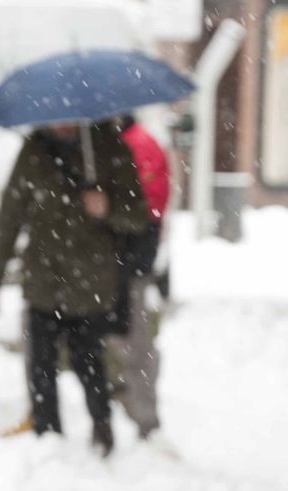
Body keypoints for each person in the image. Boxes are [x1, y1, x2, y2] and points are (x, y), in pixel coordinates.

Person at [0, 122, 149, 457]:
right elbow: (11, 214)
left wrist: (108, 208)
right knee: (40, 365)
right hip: (43, 278)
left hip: (91, 280)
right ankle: (47, 437)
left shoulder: (108, 146)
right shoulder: (35, 150)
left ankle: (101, 427)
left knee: (89, 361)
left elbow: (137, 216)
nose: (61, 126)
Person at [107, 113, 169, 440]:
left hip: (128, 261)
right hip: (125, 261)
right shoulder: (131, 142)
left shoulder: (136, 146)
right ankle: (132, 405)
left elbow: (147, 206)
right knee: (129, 340)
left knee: (134, 342)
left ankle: (143, 416)